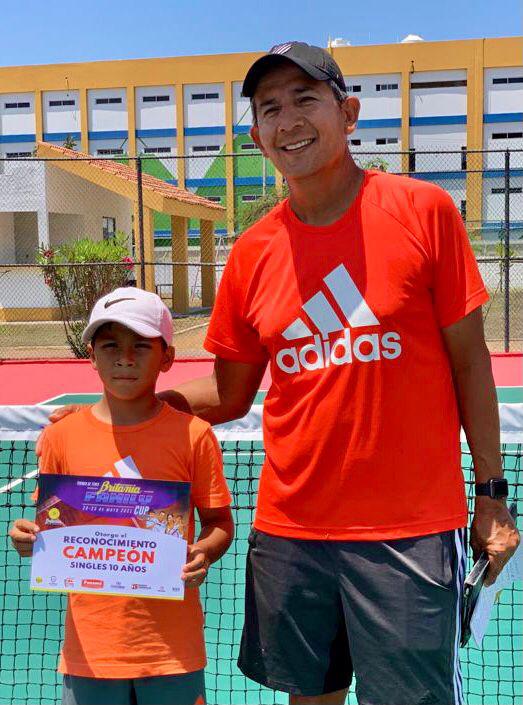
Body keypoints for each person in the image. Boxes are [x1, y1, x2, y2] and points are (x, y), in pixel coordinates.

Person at [43, 43, 519, 705]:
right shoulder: (252, 254)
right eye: (270, 107)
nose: (287, 118)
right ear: (254, 135)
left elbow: (470, 360)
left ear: (347, 111)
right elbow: (232, 391)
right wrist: (116, 410)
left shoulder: (423, 213)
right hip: (290, 535)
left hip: (408, 533)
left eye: (305, 98)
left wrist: (492, 493)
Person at [9, 287, 234, 705]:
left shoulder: (194, 435)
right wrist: (28, 536)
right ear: (91, 354)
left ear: (167, 358)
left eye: (141, 346)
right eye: (110, 345)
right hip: (90, 654)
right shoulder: (60, 437)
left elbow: (220, 524)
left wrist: (203, 551)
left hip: (172, 653)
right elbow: (51, 525)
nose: (125, 358)